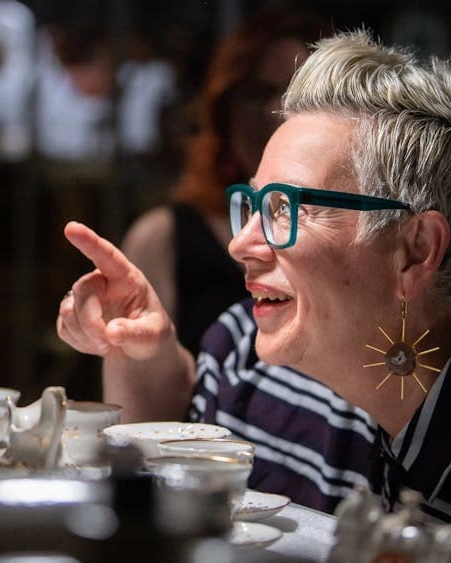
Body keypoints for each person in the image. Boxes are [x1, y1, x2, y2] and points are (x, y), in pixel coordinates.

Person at [56, 30, 451, 561]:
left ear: (416, 249)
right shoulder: (251, 351)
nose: (241, 244)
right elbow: (167, 484)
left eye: (286, 208)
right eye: (252, 204)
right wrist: (141, 354)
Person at [121, 10, 328, 357]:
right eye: (255, 93)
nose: (276, 111)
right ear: (223, 112)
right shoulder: (162, 238)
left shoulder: (347, 235)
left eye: (296, 95)